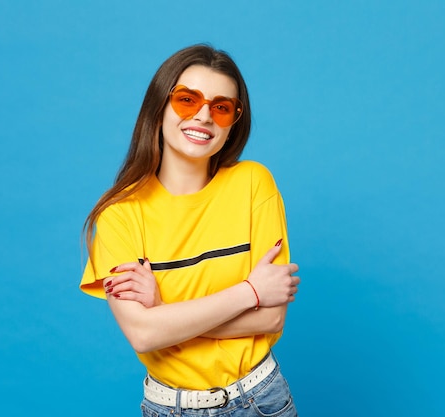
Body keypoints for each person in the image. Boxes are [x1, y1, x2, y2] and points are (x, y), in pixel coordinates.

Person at [80, 44, 300, 417]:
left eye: (221, 107)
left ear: (233, 122)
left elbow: (271, 318)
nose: (203, 117)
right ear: (159, 108)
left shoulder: (253, 184)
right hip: (170, 408)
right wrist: (250, 291)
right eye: (187, 99)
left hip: (260, 400)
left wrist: (164, 312)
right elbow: (144, 334)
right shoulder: (120, 214)